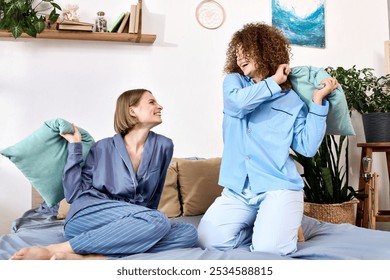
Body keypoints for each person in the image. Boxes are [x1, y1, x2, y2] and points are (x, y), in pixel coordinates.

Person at [197, 22, 339, 256]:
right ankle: (265, 226)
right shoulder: (233, 84)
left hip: (278, 186)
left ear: (265, 51)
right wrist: (273, 81)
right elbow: (238, 104)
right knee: (207, 240)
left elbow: (307, 147)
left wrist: (317, 101)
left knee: (269, 250)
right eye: (237, 51)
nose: (240, 56)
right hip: (238, 190)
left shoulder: (292, 100)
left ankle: (277, 227)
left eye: (247, 50)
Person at [11, 89, 198, 260]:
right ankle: (57, 249)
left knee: (188, 233)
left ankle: (94, 257)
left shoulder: (164, 146)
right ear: (132, 110)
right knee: (157, 220)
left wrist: (143, 224)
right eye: (152, 102)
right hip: (89, 215)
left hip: (130, 222)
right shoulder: (102, 147)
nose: (160, 106)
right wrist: (75, 146)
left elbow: (155, 193)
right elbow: (73, 194)